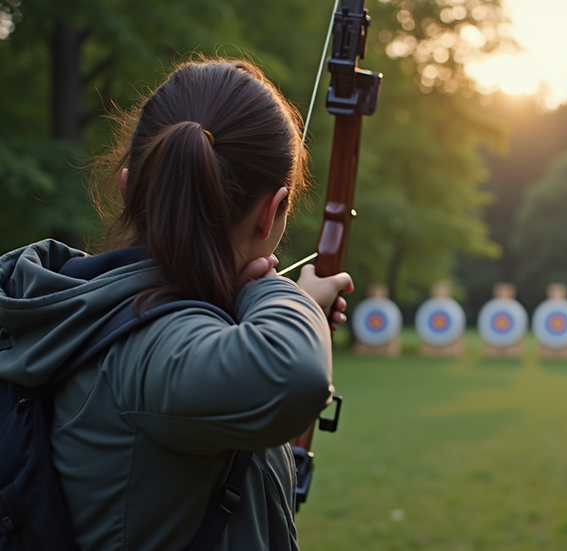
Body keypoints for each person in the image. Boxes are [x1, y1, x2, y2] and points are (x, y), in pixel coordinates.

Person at [0, 59, 352, 550]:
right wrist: (281, 295)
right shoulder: (155, 346)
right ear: (272, 210)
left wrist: (284, 311)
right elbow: (296, 377)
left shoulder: (83, 308)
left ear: (129, 187)